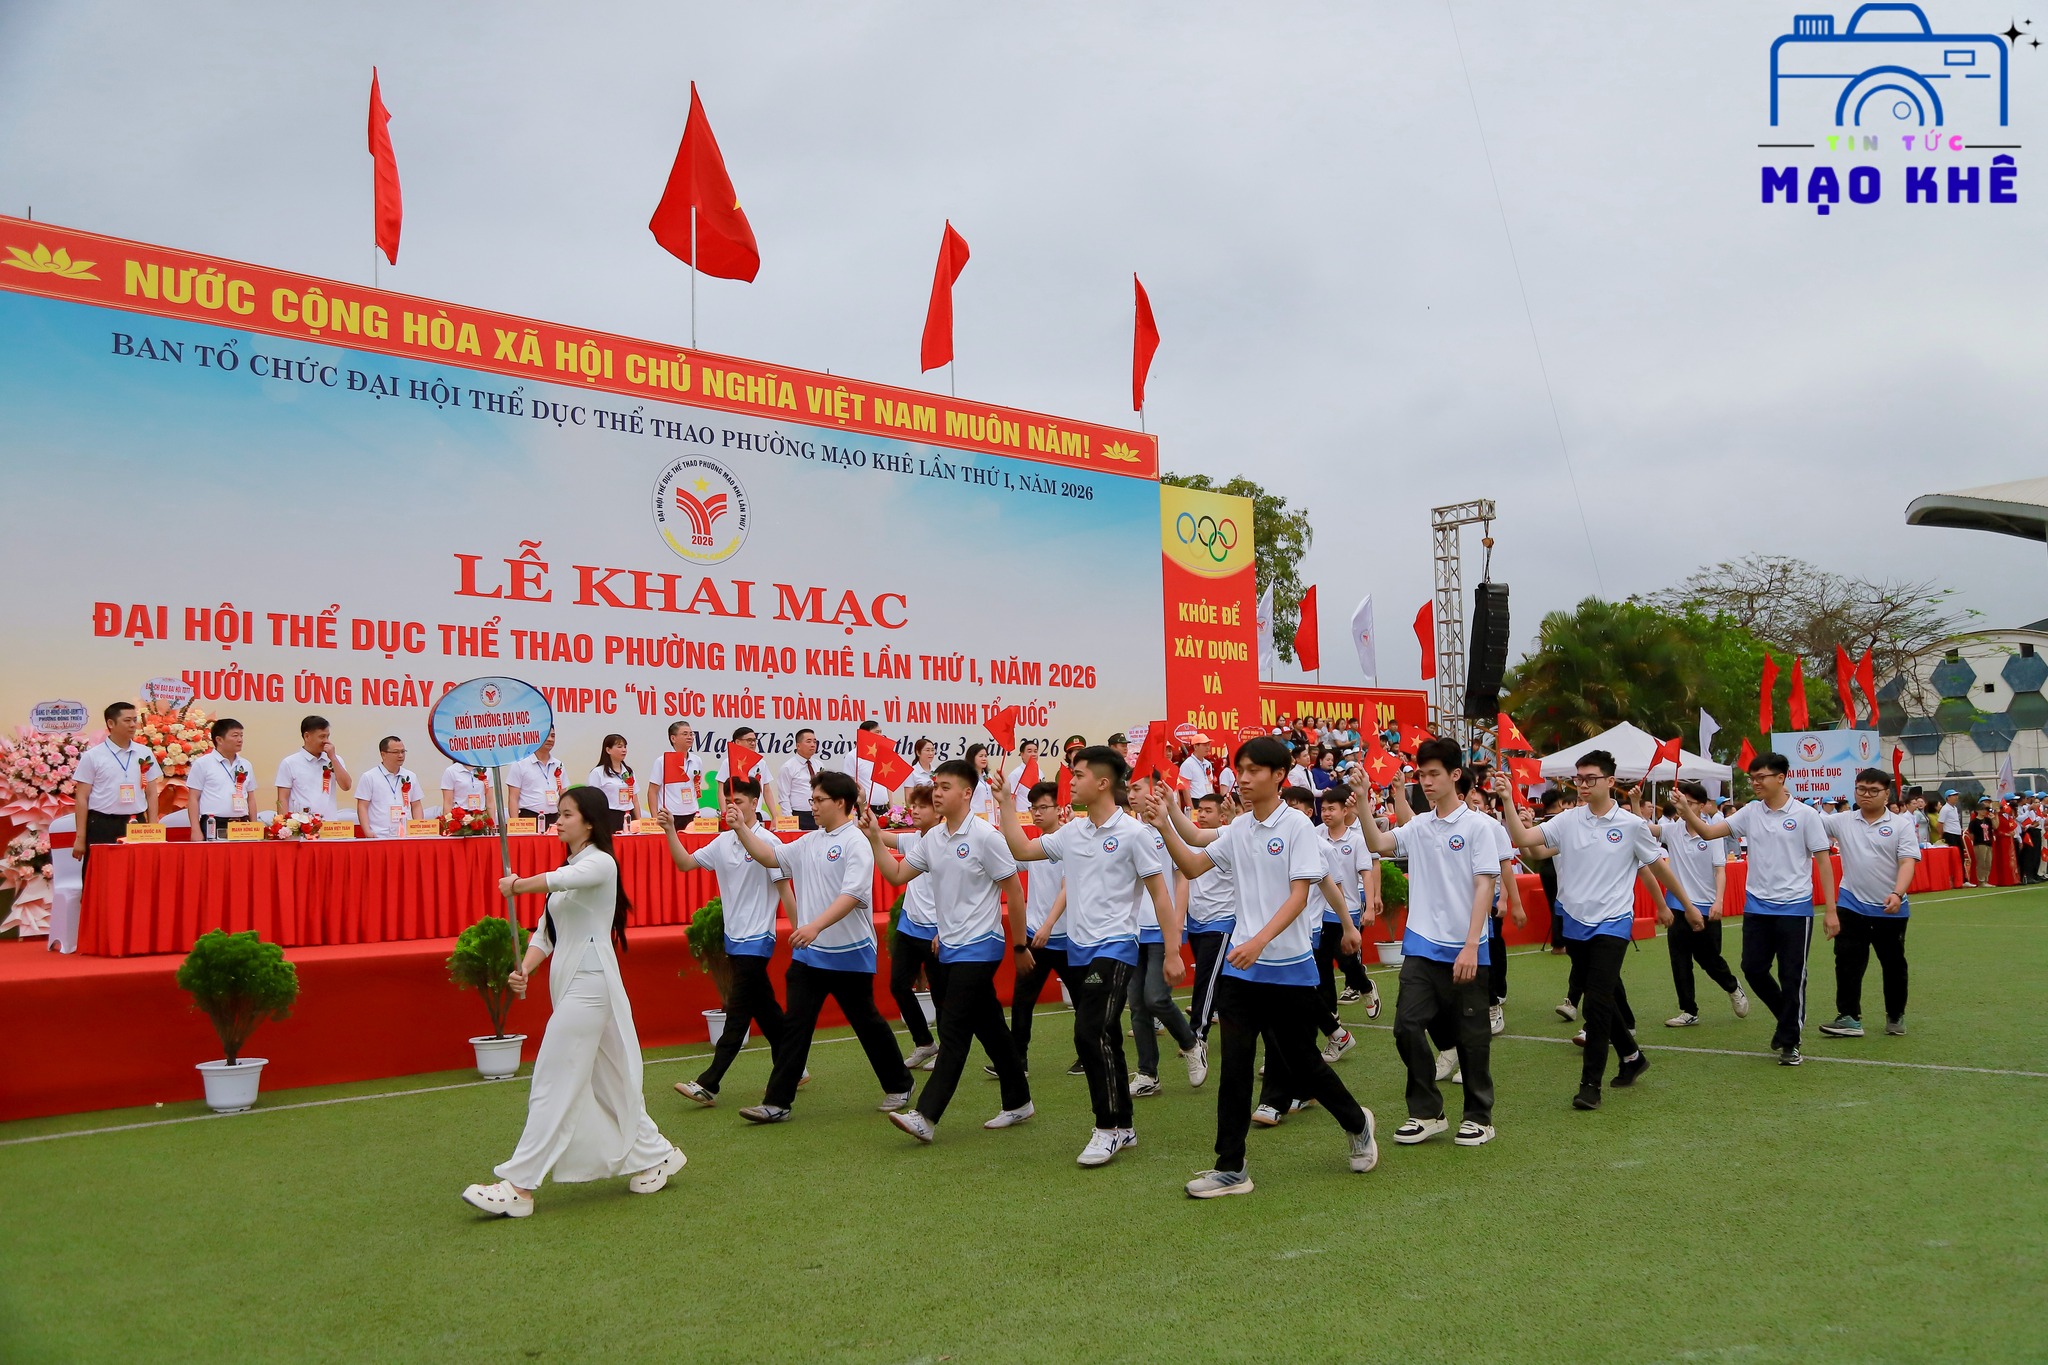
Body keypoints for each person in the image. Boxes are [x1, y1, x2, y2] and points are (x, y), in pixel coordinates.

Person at [1145, 735, 1379, 1199]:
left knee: (1304, 1065)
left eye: (1254, 770)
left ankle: (1357, 1123)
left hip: (1288, 968)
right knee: (1235, 1067)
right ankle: (1230, 1167)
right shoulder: (1238, 828)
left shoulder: (1297, 827)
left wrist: (1259, 941)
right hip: (1242, 971)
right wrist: (1166, 822)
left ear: (1279, 775)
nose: (1244, 778)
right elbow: (1191, 863)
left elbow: (1299, 896)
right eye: (1241, 770)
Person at [462, 786, 684, 1218]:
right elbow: (546, 932)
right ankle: (656, 1153)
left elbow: (558, 881)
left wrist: (517, 885)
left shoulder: (600, 863)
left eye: (567, 814)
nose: (558, 821)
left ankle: (519, 1186)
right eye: (558, 813)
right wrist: (525, 967)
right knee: (610, 1078)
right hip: (570, 982)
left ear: (590, 822)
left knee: (554, 1077)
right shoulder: (570, 867)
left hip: (591, 982)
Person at [994, 744, 1176, 1168]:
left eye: (1078, 775)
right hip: (1080, 951)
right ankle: (1124, 1124)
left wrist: (1171, 951)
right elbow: (1022, 850)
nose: (1070, 782)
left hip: (1116, 948)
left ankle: (1107, 1128)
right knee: (1105, 1034)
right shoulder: (1071, 833)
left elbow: (1160, 894)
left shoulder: (1133, 834)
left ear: (1103, 783)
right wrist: (1004, 803)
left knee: (1088, 1032)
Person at [1500, 751, 1698, 1111]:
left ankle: (1590, 1084)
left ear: (1610, 781)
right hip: (1575, 920)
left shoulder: (1631, 825)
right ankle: (1632, 1056)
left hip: (1614, 922)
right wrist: (1507, 801)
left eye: (1590, 778)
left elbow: (1658, 867)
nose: (1583, 784)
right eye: (1579, 778)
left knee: (1596, 1002)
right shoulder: (1567, 820)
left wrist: (1684, 904)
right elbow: (1525, 840)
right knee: (1600, 996)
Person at [726, 769, 914, 1123]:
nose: (812, 806)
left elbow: (852, 895)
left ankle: (900, 1083)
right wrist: (740, 829)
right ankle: (777, 1102)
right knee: (795, 1027)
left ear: (840, 803)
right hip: (809, 956)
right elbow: (769, 856)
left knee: (867, 1022)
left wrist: (814, 925)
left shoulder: (856, 842)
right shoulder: (809, 841)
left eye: (818, 800)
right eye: (811, 799)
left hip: (849, 952)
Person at [866, 759, 1032, 1142]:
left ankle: (926, 1115)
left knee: (953, 1030)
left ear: (967, 793)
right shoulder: (932, 839)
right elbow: (896, 875)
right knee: (990, 1027)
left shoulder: (986, 837)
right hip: (951, 946)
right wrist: (875, 837)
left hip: (982, 946)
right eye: (935, 786)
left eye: (945, 787)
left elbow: (1014, 891)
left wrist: (1020, 944)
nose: (936, 793)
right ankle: (1019, 1101)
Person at [1356, 737, 1498, 1147]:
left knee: (1471, 1036)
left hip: (1467, 948)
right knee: (1406, 1027)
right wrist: (1363, 801)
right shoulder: (1419, 826)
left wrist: (1471, 945)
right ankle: (1427, 1112)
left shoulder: (1478, 827)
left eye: (1434, 774)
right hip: (1420, 945)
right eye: (1422, 775)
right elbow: (1378, 844)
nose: (1427, 781)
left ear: (1455, 775)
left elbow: (1484, 886)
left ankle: (1479, 1117)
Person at [1680, 752, 1838, 1065]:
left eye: (1761, 777)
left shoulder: (1806, 815)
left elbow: (1824, 862)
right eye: (1752, 778)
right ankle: (1788, 1019)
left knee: (1792, 975)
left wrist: (1831, 910)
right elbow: (1710, 833)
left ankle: (1790, 1041)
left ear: (1781, 778)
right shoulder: (1751, 812)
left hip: (1795, 908)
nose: (1755, 783)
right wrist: (1686, 812)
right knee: (1753, 968)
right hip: (1757, 906)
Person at [661, 775, 795, 1105]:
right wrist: (669, 830)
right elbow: (685, 863)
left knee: (737, 1013)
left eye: (740, 802)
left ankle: (709, 1083)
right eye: (729, 801)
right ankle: (793, 1065)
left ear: (755, 804)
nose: (732, 807)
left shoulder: (768, 842)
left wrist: (801, 930)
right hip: (733, 938)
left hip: (758, 938)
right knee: (766, 1009)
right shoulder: (722, 842)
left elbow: (784, 890)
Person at [1818, 768, 1921, 1040]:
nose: (1866, 795)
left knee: (1893, 964)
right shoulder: (1842, 821)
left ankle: (1895, 1015)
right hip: (1851, 904)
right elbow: (1808, 821)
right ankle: (1849, 1016)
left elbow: (1907, 862)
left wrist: (1897, 893)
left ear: (1886, 794)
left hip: (1890, 907)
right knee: (1847, 961)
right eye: (1861, 789)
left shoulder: (1900, 825)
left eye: (1874, 790)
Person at [1126, 787, 1203, 1097]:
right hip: (1133, 930)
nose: (1131, 795)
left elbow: (1182, 878)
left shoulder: (1169, 830)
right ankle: (1148, 1074)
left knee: (1156, 998)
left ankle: (1191, 1044)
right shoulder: (1128, 830)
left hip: (1162, 927)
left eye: (1137, 788)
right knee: (1137, 1004)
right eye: (1128, 789)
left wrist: (1177, 922)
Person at [1653, 781, 1750, 1027]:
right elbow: (1643, 829)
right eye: (1680, 802)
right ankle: (1689, 1010)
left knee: (1709, 960)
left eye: (1690, 803)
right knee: (1679, 959)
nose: (1683, 807)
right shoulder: (1672, 830)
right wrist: (1634, 802)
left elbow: (1720, 870)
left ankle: (1732, 986)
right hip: (1678, 905)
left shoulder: (1712, 832)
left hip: (1707, 905)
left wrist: (1719, 901)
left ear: (1702, 805)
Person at [1012, 780, 1074, 1075]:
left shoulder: (1068, 843)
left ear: (1058, 809)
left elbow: (1067, 888)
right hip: (1035, 937)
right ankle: (1017, 1061)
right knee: (1022, 1001)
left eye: (1042, 808)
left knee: (1084, 1001)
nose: (1036, 813)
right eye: (1033, 808)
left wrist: (1049, 925)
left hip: (1067, 938)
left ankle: (1088, 1056)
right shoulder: (1034, 845)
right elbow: (1012, 863)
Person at [881, 783, 945, 1071]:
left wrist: (945, 929)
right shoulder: (912, 839)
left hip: (937, 930)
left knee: (941, 994)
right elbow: (877, 836)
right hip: (909, 926)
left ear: (938, 811)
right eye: (914, 806)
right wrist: (863, 815)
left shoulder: (945, 842)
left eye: (923, 806)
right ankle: (925, 1043)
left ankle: (947, 1049)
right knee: (898, 986)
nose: (915, 811)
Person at [71, 701, 161, 863]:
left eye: (135, 720)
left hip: (136, 824)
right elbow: (82, 798)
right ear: (111, 723)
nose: (133, 725)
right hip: (102, 824)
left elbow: (152, 793)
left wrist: (153, 827)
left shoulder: (144, 752)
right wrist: (80, 837)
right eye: (127, 720)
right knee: (101, 871)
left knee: (136, 871)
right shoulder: (93, 756)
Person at [1180, 792, 1236, 1045]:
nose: (1201, 815)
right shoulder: (1191, 841)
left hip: (1221, 920)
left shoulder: (1229, 839)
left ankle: (1197, 1036)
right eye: (1199, 810)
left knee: (1205, 979)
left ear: (1222, 815)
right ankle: (1224, 1018)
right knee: (1217, 980)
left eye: (1207, 810)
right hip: (1196, 920)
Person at [186, 717, 254, 840]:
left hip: (242, 826)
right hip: (213, 823)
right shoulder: (202, 763)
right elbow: (193, 798)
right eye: (235, 735)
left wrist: (254, 826)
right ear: (219, 739)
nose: (240, 740)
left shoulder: (246, 764)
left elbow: (251, 798)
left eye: (241, 735)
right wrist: (195, 829)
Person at [274, 714, 351, 818]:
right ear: (307, 736)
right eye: (322, 736)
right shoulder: (289, 762)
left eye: (327, 736)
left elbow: (346, 786)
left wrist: (333, 758)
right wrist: (284, 823)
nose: (326, 741)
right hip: (301, 825)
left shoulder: (335, 759)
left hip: (329, 824)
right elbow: (282, 798)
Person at [357, 736, 424, 839]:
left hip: (407, 836)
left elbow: (416, 805)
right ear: (383, 754)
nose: (400, 755)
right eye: (396, 752)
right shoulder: (369, 776)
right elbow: (362, 806)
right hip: (379, 835)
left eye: (403, 751)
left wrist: (418, 829)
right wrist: (367, 832)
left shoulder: (410, 776)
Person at [506, 729, 565, 830]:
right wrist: (516, 827)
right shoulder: (520, 764)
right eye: (546, 735)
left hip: (555, 819)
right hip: (529, 819)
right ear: (535, 737)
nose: (550, 739)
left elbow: (564, 794)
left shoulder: (558, 764)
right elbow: (513, 798)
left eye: (553, 736)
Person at [652, 721, 708, 821]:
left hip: (693, 813)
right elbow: (652, 791)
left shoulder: (697, 760)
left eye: (691, 734)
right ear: (673, 738)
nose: (689, 737)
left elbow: (697, 784)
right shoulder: (663, 761)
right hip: (669, 814)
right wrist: (655, 818)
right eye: (685, 734)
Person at [585, 735, 636, 833]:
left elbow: (635, 800)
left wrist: (638, 821)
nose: (624, 750)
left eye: (625, 747)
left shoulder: (629, 772)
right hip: (609, 816)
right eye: (619, 747)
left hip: (629, 815)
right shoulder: (597, 772)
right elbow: (592, 801)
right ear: (608, 750)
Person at [847, 719, 895, 817]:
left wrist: (892, 809)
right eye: (877, 732)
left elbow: (888, 785)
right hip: (864, 808)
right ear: (865, 734)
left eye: (881, 732)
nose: (881, 735)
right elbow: (849, 785)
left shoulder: (883, 754)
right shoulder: (853, 756)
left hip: (884, 810)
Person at [778, 728, 823, 830]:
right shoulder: (788, 767)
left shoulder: (819, 765)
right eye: (808, 741)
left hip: (818, 813)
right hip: (798, 815)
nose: (813, 745)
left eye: (814, 742)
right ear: (798, 746)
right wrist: (789, 820)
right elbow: (784, 796)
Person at [439, 757, 495, 826]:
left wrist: (492, 824)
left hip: (480, 817)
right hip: (460, 818)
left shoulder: (486, 769)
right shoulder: (451, 771)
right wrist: (448, 825)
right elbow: (448, 803)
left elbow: (490, 801)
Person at [1966, 800, 1995, 888]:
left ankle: (1986, 879)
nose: (1984, 811)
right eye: (1982, 809)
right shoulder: (1974, 822)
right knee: (1981, 862)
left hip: (1988, 843)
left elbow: (1995, 826)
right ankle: (1981, 880)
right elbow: (1971, 835)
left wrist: (1994, 817)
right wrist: (1976, 841)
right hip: (1979, 843)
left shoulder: (1988, 820)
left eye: (1985, 810)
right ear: (1977, 810)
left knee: (1988, 862)